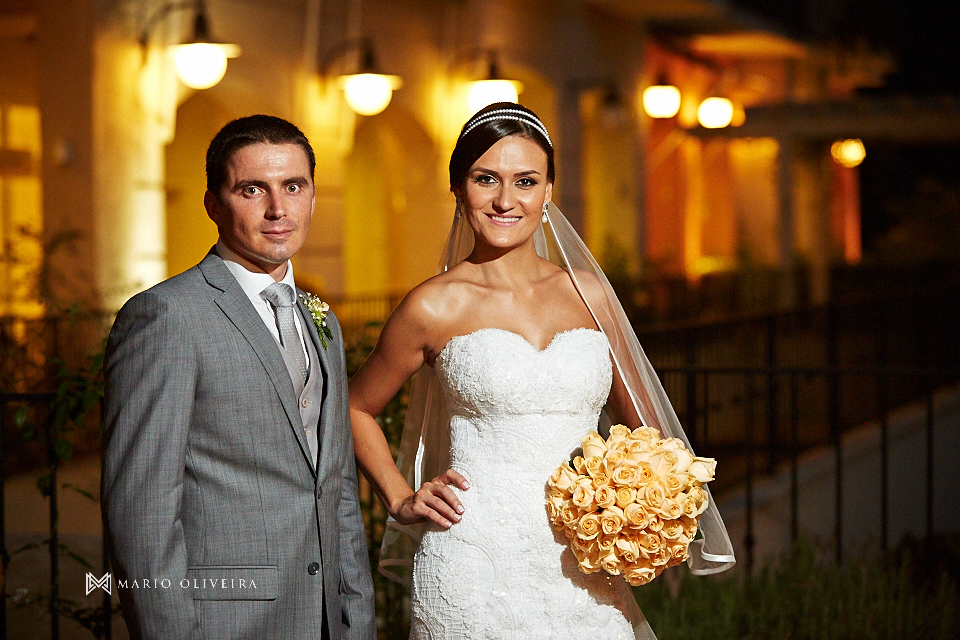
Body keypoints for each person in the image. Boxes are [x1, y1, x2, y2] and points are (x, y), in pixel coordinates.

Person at [349, 103, 735, 639]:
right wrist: (400, 496)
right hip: (471, 560)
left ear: (548, 190)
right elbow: (355, 406)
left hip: (582, 562)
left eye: (525, 181)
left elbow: (648, 434)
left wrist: (647, 510)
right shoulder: (433, 307)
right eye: (486, 179)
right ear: (460, 188)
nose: (506, 200)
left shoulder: (589, 293)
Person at [101, 115, 376, 639]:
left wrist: (355, 621)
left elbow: (336, 489)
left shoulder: (322, 320)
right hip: (224, 620)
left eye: (294, 187)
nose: (278, 209)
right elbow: (142, 512)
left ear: (313, 197)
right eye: (253, 189)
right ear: (213, 203)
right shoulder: (166, 317)